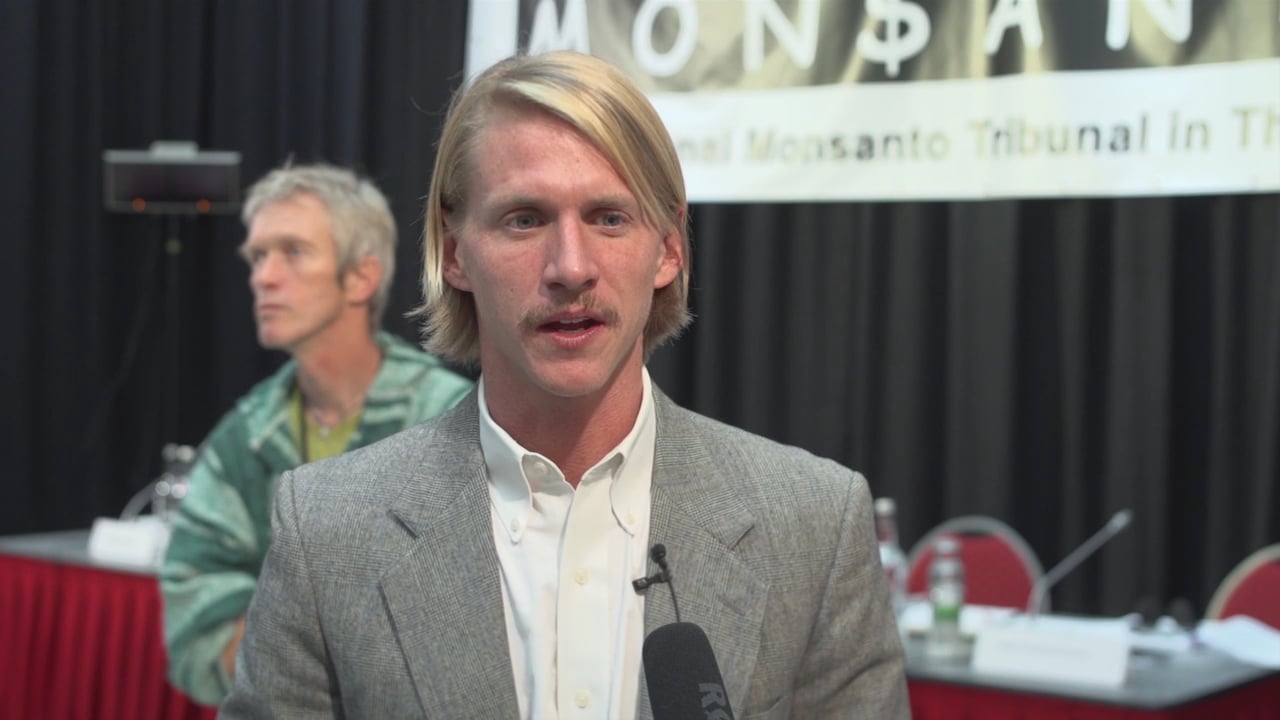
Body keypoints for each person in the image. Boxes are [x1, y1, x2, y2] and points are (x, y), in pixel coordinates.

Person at [223, 52, 908, 718]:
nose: (571, 268)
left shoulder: (814, 525)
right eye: (524, 219)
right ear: (455, 254)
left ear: (669, 249)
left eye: (609, 218)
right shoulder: (327, 532)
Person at [159, 163, 474, 706]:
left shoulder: (447, 419)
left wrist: (290, 638)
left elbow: (477, 616)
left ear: (361, 277)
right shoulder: (248, 435)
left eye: (293, 252)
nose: (264, 277)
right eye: (258, 256)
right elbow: (194, 609)